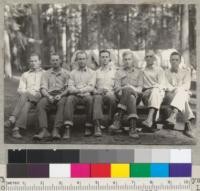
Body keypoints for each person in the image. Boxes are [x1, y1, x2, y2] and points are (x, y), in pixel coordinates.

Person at [5, 53, 45, 139]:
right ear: (29, 62)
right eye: (31, 61)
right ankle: (16, 129)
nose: (33, 63)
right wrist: (28, 93)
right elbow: (20, 89)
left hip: (41, 97)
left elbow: (47, 88)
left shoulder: (45, 74)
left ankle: (12, 118)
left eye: (35, 61)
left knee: (26, 94)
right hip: (28, 99)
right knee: (26, 105)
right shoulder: (25, 74)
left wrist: (30, 93)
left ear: (39, 62)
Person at [33, 53, 70, 140]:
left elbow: (68, 88)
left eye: (57, 60)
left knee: (62, 104)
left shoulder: (66, 73)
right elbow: (43, 88)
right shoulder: (46, 73)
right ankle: (44, 130)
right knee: (41, 104)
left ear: (60, 61)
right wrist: (48, 96)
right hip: (49, 95)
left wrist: (60, 95)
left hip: (62, 95)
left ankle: (56, 129)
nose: (55, 62)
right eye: (53, 60)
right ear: (50, 61)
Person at [109, 51, 143, 138]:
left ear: (133, 60)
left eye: (129, 59)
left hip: (137, 96)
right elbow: (116, 88)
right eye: (125, 59)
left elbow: (139, 89)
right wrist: (125, 89)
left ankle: (118, 119)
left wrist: (130, 87)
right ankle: (132, 128)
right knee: (130, 97)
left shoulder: (139, 72)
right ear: (123, 61)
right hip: (121, 96)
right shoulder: (119, 72)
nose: (127, 61)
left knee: (130, 93)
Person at [63, 51, 96, 138]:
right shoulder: (72, 73)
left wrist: (80, 90)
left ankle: (88, 126)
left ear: (86, 60)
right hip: (75, 95)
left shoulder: (92, 73)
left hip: (86, 95)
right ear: (77, 60)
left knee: (90, 100)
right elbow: (70, 87)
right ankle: (67, 127)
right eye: (79, 59)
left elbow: (91, 87)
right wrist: (79, 91)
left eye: (83, 59)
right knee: (69, 99)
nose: (81, 61)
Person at [163, 51, 195, 138]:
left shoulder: (186, 72)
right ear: (169, 61)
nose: (174, 62)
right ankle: (188, 125)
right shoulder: (165, 72)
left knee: (182, 93)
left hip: (181, 94)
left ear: (180, 61)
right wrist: (175, 89)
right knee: (182, 94)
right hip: (169, 95)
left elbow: (187, 85)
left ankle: (174, 114)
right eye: (172, 60)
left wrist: (179, 89)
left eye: (176, 60)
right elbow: (165, 84)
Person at [139, 50, 165, 131]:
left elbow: (161, 85)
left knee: (155, 92)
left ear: (154, 58)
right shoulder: (142, 71)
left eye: (151, 56)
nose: (149, 58)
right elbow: (140, 85)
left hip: (158, 92)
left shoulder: (159, 70)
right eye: (147, 57)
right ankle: (151, 123)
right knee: (153, 94)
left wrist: (152, 89)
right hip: (146, 94)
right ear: (145, 59)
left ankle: (149, 120)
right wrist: (144, 91)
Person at [93, 50, 116, 137]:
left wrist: (111, 92)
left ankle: (110, 123)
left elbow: (117, 86)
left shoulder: (114, 71)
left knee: (112, 99)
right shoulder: (96, 72)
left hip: (111, 93)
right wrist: (97, 91)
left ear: (109, 58)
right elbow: (93, 87)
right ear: (100, 59)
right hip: (99, 94)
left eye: (106, 57)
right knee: (97, 98)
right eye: (103, 57)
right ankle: (97, 125)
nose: (105, 59)